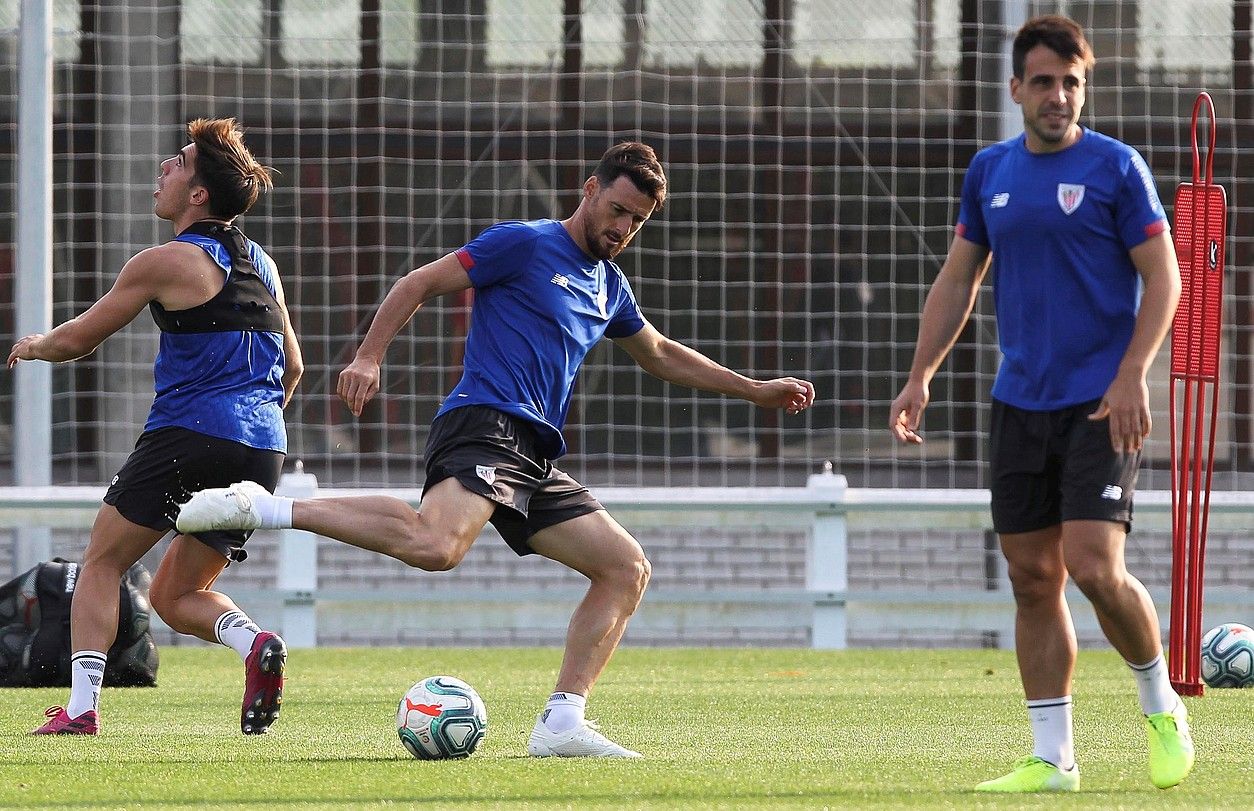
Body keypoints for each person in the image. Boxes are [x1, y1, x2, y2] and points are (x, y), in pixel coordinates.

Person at [177, 141, 816, 758]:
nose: (623, 228)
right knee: (437, 545)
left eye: (638, 221)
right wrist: (368, 357)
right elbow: (417, 283)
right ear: (589, 191)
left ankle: (562, 723)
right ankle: (267, 508)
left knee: (626, 567)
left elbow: (658, 353)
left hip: (533, 454)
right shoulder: (526, 243)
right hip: (486, 424)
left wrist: (753, 390)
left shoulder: (609, 286)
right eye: (618, 210)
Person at [889, 15, 1192, 792]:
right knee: (1031, 577)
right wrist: (922, 373)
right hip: (1018, 400)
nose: (1060, 96)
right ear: (1016, 87)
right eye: (1046, 81)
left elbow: (1165, 279)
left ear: (1083, 88)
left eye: (1073, 82)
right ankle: (1052, 756)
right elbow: (958, 280)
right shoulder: (989, 169)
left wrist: (1133, 373)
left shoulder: (1118, 168)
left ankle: (1162, 705)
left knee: (1094, 565)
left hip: (1100, 400)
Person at [9, 118, 302, 736]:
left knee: (102, 564)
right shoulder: (265, 265)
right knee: (173, 596)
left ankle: (82, 712)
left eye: (178, 162)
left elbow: (80, 340)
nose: (163, 169)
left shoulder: (166, 261)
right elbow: (294, 365)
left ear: (198, 195)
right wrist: (255, 423)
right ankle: (255, 644)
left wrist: (34, 345)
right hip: (262, 447)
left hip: (189, 433)